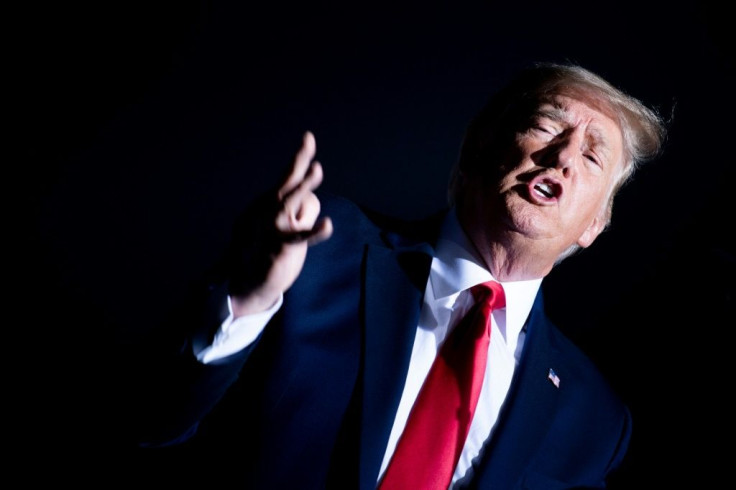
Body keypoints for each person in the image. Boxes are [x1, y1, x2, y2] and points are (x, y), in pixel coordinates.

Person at [129, 62, 667, 489]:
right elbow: (149, 422)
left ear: (595, 225)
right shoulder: (318, 248)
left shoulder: (594, 419)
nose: (565, 155)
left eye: (594, 157)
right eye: (546, 125)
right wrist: (248, 302)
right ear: (481, 143)